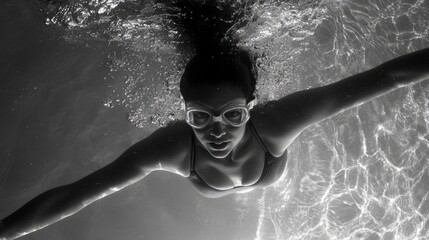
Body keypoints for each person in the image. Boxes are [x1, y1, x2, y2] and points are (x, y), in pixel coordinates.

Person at [1, 3, 429, 240]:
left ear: (252, 106)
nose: (217, 130)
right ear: (184, 112)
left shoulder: (276, 122)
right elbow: (79, 194)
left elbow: (385, 77)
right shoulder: (169, 147)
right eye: (199, 117)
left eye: (234, 115)